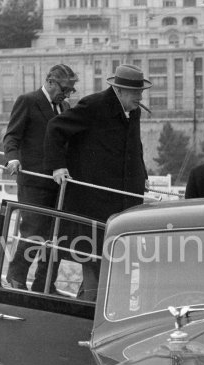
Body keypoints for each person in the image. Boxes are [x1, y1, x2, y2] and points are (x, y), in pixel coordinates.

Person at [44, 64, 151, 301]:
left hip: (122, 200)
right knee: (95, 254)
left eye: (141, 92)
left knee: (110, 255)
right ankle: (90, 305)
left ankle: (93, 302)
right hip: (94, 200)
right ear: (120, 91)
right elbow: (55, 128)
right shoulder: (93, 106)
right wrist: (58, 166)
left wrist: (141, 174)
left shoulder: (134, 111)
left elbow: (135, 146)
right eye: (136, 93)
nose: (140, 97)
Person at [3, 64, 78, 292]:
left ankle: (44, 283)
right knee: (33, 232)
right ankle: (16, 276)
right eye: (65, 89)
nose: (66, 94)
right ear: (50, 81)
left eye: (70, 91)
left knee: (57, 236)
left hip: (58, 184)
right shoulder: (28, 100)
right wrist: (12, 159)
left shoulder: (64, 107)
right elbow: (11, 136)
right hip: (34, 182)